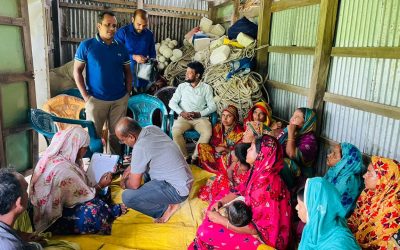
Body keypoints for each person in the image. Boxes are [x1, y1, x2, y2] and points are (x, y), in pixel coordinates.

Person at [190, 135, 291, 250]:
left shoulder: (264, 188)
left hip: (266, 239)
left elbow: (254, 229)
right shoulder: (260, 171)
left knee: (205, 232)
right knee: (222, 195)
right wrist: (221, 202)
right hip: (251, 220)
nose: (247, 149)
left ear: (261, 155)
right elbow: (240, 189)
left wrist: (221, 220)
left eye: (252, 148)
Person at [29, 127, 125, 234]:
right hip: (53, 218)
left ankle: (108, 209)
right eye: (85, 147)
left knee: (104, 194)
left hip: (64, 204)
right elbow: (84, 195)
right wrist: (100, 185)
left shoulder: (63, 159)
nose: (86, 150)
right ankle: (109, 210)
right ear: (76, 146)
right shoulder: (63, 169)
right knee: (93, 213)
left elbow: (82, 188)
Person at [74, 11, 132, 155]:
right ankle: (94, 167)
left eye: (114, 26)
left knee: (117, 136)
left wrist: (127, 93)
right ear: (99, 26)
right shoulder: (87, 46)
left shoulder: (121, 48)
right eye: (108, 25)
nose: (112, 29)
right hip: (96, 100)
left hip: (119, 100)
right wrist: (86, 97)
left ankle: (114, 167)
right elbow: (77, 71)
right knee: (93, 138)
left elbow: (128, 72)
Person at [116, 117, 193, 223]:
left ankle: (165, 208)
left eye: (122, 140)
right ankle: (161, 198)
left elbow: (134, 185)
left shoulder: (140, 147)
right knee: (143, 169)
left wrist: (124, 182)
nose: (123, 143)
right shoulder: (152, 128)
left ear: (131, 137)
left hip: (177, 191)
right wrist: (132, 166)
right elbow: (149, 153)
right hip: (185, 181)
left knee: (127, 197)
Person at [169, 61, 217, 164]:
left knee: (207, 132)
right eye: (187, 72)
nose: (186, 74)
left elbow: (212, 106)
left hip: (200, 118)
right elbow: (172, 103)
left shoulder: (206, 88)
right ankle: (185, 158)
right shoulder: (182, 87)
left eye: (190, 72)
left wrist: (199, 114)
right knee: (175, 131)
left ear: (197, 75)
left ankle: (195, 158)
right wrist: (181, 113)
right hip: (184, 118)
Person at [348, 156, 400, 249]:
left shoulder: (394, 211)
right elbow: (352, 221)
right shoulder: (369, 194)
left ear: (384, 179)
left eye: (369, 173)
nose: (364, 176)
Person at [296, 177, 360, 249]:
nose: (296, 207)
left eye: (300, 205)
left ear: (314, 209)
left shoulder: (340, 245)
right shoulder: (311, 228)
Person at [115, 9, 157, 93]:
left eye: (144, 25)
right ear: (132, 19)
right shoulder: (123, 32)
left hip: (143, 72)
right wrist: (133, 56)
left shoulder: (149, 34)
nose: (141, 28)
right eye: (139, 24)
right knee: (126, 96)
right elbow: (116, 52)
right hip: (126, 71)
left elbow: (152, 52)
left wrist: (152, 62)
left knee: (141, 95)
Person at [0, 169, 42, 249]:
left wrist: (18, 235)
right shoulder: (12, 246)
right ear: (19, 202)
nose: (28, 194)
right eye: (26, 189)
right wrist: (36, 246)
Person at [277, 107, 318, 189]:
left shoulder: (310, 140)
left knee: (283, 163)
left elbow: (291, 154)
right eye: (293, 115)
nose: (293, 118)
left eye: (298, 117)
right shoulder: (292, 131)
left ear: (307, 122)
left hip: (300, 176)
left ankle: (288, 192)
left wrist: (291, 134)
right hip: (288, 171)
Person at [198, 105, 244, 174]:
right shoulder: (218, 127)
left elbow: (239, 152)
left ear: (235, 118)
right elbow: (212, 143)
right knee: (201, 146)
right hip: (216, 153)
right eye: (223, 115)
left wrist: (225, 149)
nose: (225, 118)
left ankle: (219, 172)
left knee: (228, 158)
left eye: (229, 116)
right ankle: (211, 168)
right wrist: (216, 148)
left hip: (229, 156)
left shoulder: (239, 132)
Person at [324, 143, 364, 217]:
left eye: (335, 154)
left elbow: (335, 210)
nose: (329, 155)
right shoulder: (335, 172)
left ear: (345, 161)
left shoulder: (349, 181)